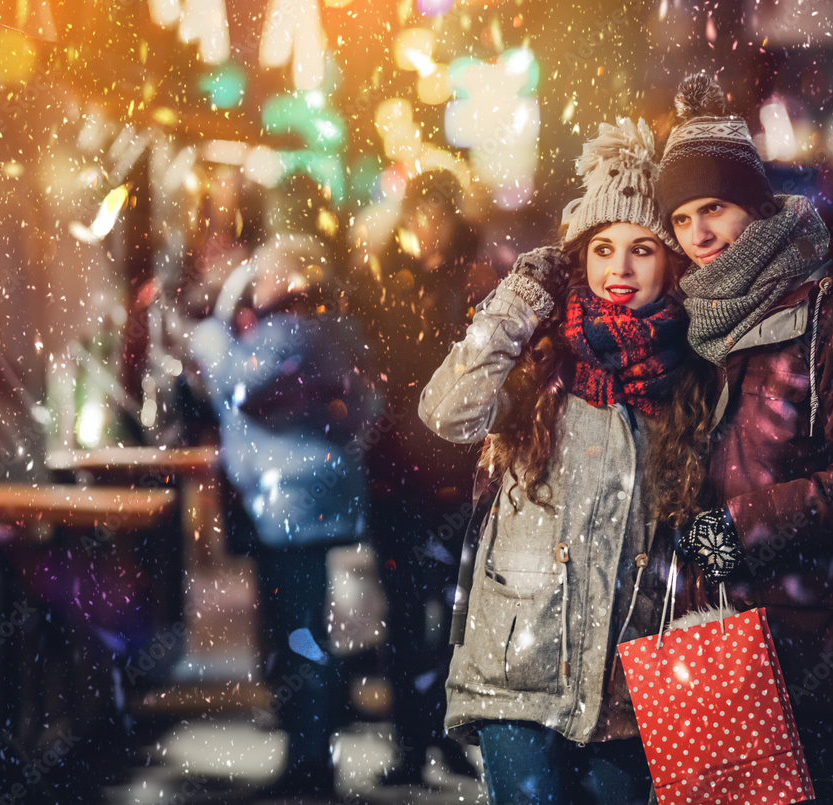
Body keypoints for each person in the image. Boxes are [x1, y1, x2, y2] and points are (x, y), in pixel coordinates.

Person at [418, 118, 714, 804]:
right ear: (577, 258)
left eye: (643, 249)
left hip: (630, 687)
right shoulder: (541, 360)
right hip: (518, 672)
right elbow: (447, 410)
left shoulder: (694, 379)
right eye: (603, 248)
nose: (621, 267)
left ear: (670, 262)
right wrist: (517, 304)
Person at [657, 73, 833, 804]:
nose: (698, 233)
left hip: (819, 647)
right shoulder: (694, 326)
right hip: (723, 650)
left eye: (716, 208)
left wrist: (735, 528)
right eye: (684, 217)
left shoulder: (831, 309)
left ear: (754, 206)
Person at [190, 174, 380, 798]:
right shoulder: (332, 328)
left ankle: (309, 760)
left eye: (265, 274)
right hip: (300, 499)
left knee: (298, 632)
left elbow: (235, 387)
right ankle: (307, 751)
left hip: (292, 503)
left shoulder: (294, 332)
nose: (256, 282)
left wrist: (214, 327)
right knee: (296, 627)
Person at [358, 169, 493, 786]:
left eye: (437, 211)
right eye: (420, 211)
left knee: (455, 616)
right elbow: (372, 363)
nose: (427, 223)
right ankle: (412, 743)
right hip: (398, 474)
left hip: (451, 472)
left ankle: (443, 735)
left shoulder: (473, 281)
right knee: (406, 615)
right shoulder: (390, 277)